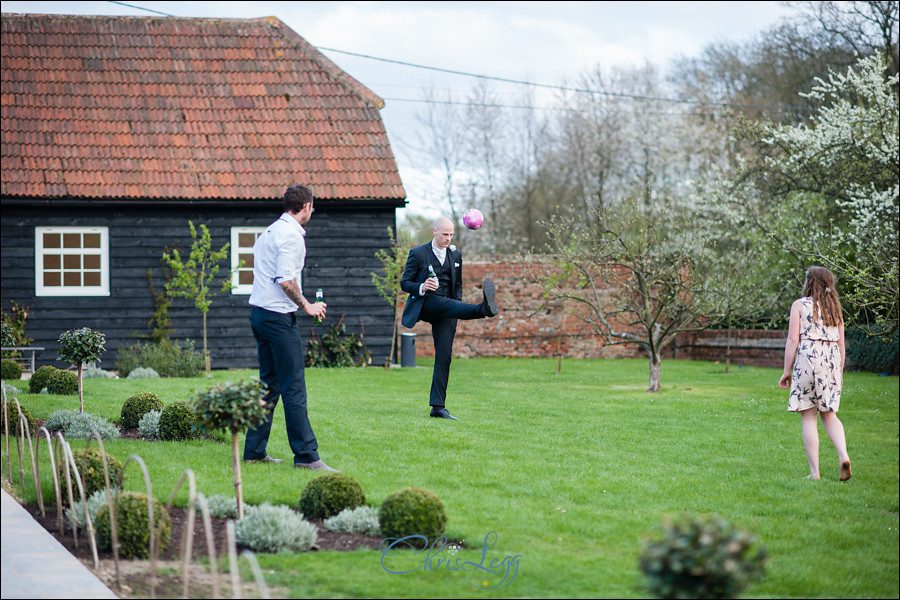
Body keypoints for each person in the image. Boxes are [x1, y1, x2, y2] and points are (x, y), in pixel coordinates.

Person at [244, 184, 337, 471]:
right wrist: (307, 305)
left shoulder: (269, 232)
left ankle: (254, 451)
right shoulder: (291, 236)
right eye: (313, 207)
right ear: (307, 206)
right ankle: (307, 457)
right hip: (277, 319)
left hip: (259, 314)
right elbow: (285, 280)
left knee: (269, 385)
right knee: (293, 386)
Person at [400, 216, 499, 420]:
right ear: (435, 231)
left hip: (448, 309)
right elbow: (404, 283)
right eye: (445, 234)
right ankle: (482, 310)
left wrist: (457, 308)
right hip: (427, 303)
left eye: (451, 234)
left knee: (444, 356)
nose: (448, 238)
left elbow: (458, 286)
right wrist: (421, 286)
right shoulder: (418, 253)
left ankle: (438, 407)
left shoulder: (456, 255)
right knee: (441, 302)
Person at [779, 266, 851, 481]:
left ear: (809, 282)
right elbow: (841, 344)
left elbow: (793, 340)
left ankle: (815, 473)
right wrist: (839, 372)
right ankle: (843, 456)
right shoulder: (835, 308)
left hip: (807, 359)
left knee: (809, 416)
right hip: (831, 360)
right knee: (830, 415)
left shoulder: (799, 305)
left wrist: (786, 370)